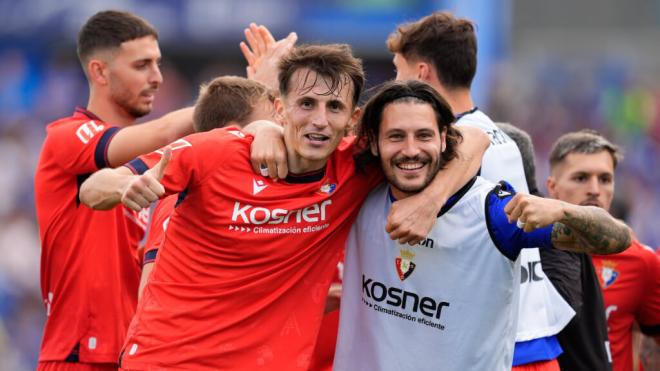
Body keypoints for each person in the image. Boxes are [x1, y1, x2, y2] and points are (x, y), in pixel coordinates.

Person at [79, 43, 489, 370]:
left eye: (334, 108)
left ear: (353, 119)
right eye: (306, 104)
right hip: (170, 361)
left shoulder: (356, 167)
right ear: (280, 108)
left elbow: (474, 138)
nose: (319, 121)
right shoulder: (215, 153)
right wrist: (126, 185)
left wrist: (429, 203)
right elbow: (93, 187)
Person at [333, 80, 631, 371]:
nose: (411, 150)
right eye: (396, 136)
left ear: (444, 138)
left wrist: (565, 210)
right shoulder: (357, 195)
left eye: (423, 135)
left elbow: (616, 238)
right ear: (373, 142)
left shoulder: (494, 212)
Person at [384, 11, 574, 369]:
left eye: (398, 71)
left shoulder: (454, 143)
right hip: (531, 337)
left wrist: (426, 201)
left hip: (497, 345)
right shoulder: (496, 134)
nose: (396, 83)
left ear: (422, 73)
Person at [34, 10, 196, 371]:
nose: (157, 78)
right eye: (142, 65)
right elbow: (164, 132)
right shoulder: (66, 137)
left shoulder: (148, 162)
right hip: (79, 357)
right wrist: (233, 102)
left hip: (132, 356)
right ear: (100, 72)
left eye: (158, 64)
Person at [138, 75, 276, 297]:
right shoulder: (179, 199)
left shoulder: (253, 189)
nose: (278, 135)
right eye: (270, 124)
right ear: (234, 133)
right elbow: (149, 292)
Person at [544, 130, 660, 371]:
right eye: (581, 178)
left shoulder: (642, 261)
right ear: (552, 187)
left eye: (605, 179)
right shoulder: (528, 253)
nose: (595, 189)